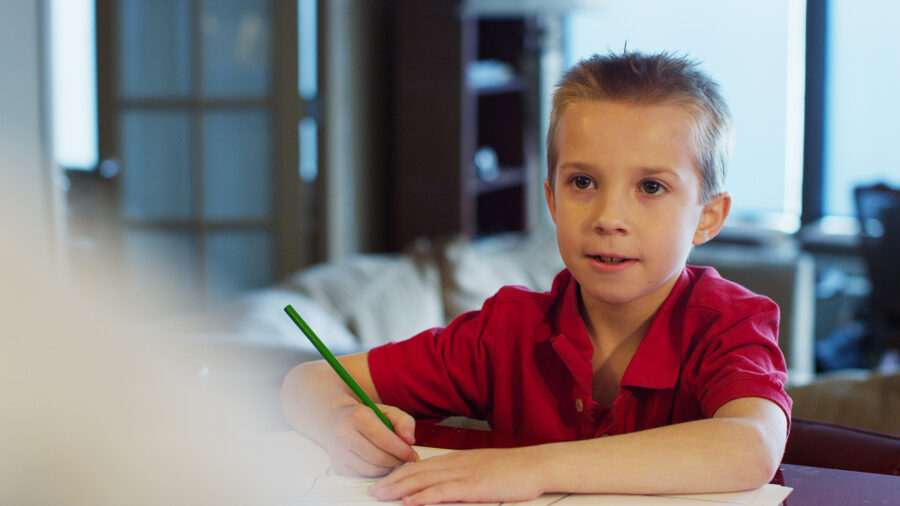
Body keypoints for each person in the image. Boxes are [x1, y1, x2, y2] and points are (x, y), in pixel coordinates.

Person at [281, 51, 791, 505]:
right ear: (552, 199)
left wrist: (530, 467)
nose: (609, 216)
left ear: (708, 217)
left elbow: (752, 445)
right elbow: (308, 380)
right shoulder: (507, 330)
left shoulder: (728, 322)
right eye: (583, 182)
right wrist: (338, 423)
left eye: (651, 186)